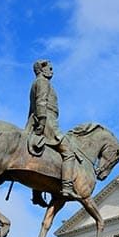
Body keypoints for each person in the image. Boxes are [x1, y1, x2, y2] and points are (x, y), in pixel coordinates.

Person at [26, 59, 77, 201]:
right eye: (49, 68)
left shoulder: (36, 83)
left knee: (40, 156)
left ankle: (36, 194)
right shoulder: (43, 82)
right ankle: (67, 186)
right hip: (47, 121)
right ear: (42, 69)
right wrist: (42, 122)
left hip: (41, 120)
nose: (52, 71)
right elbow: (41, 101)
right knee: (69, 152)